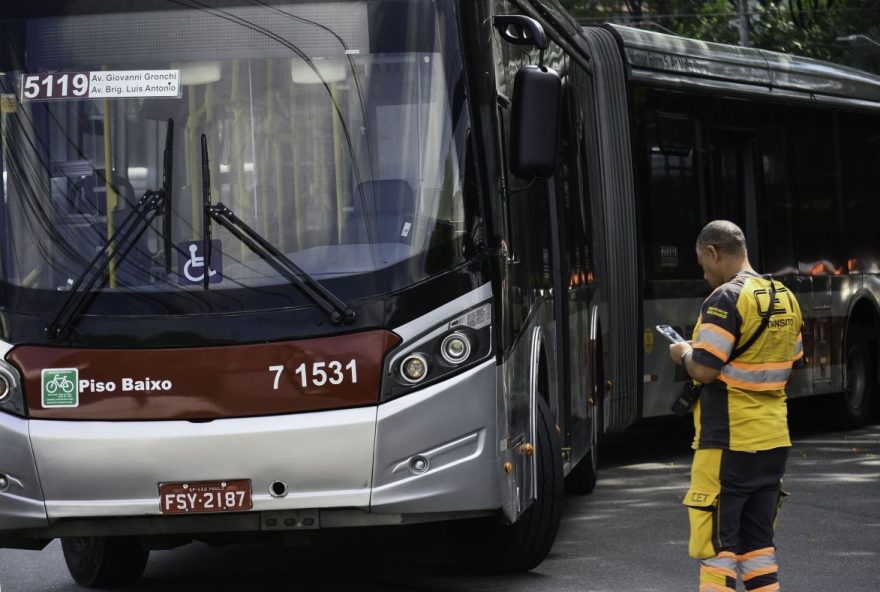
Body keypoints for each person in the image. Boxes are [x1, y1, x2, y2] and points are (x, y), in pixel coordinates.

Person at [668, 220, 803, 592]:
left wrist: (683, 354)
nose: (704, 272)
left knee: (717, 547)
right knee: (758, 546)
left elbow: (706, 369)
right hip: (774, 439)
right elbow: (792, 365)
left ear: (713, 252)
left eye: (702, 263)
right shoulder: (785, 297)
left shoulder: (726, 298)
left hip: (728, 440)